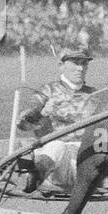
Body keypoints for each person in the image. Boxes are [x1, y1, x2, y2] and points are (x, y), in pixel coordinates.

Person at [14, 47, 97, 193]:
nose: (80, 68)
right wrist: (42, 113)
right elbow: (23, 124)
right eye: (75, 63)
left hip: (86, 161)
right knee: (57, 146)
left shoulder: (95, 95)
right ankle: (36, 177)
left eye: (84, 64)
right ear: (61, 66)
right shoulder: (46, 92)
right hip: (54, 165)